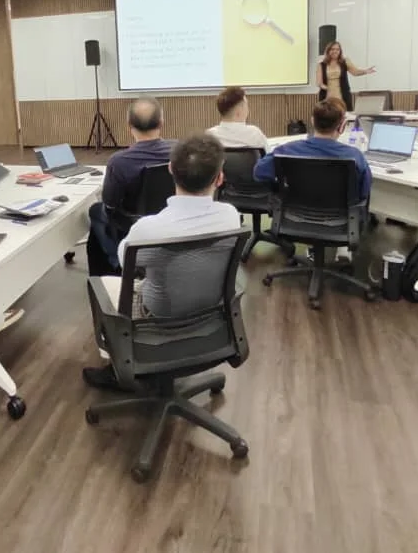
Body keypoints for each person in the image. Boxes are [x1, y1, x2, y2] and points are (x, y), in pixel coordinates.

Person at [82, 134, 241, 390]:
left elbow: (124, 261)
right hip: (210, 317)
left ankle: (117, 365)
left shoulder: (148, 228)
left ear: (170, 170)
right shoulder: (231, 216)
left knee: (99, 284)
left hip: (156, 317)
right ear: (219, 178)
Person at [86, 97, 174, 274]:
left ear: (129, 126)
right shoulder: (180, 151)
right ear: (161, 122)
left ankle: (118, 259)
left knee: (96, 210)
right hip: (171, 216)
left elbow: (109, 204)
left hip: (132, 221)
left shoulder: (119, 161)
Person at [253, 98, 372, 201]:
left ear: (312, 121)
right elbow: (364, 191)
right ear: (342, 126)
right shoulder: (355, 156)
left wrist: (281, 190)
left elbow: (259, 172)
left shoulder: (285, 151)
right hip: (342, 217)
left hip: (294, 214)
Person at [316, 41, 375, 110]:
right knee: (328, 114)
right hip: (327, 96)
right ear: (328, 51)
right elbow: (319, 83)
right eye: (332, 49)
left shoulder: (345, 61)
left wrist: (365, 71)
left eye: (337, 49)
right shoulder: (321, 64)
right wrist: (329, 89)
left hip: (343, 94)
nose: (335, 51)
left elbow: (355, 72)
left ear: (340, 51)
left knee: (345, 113)